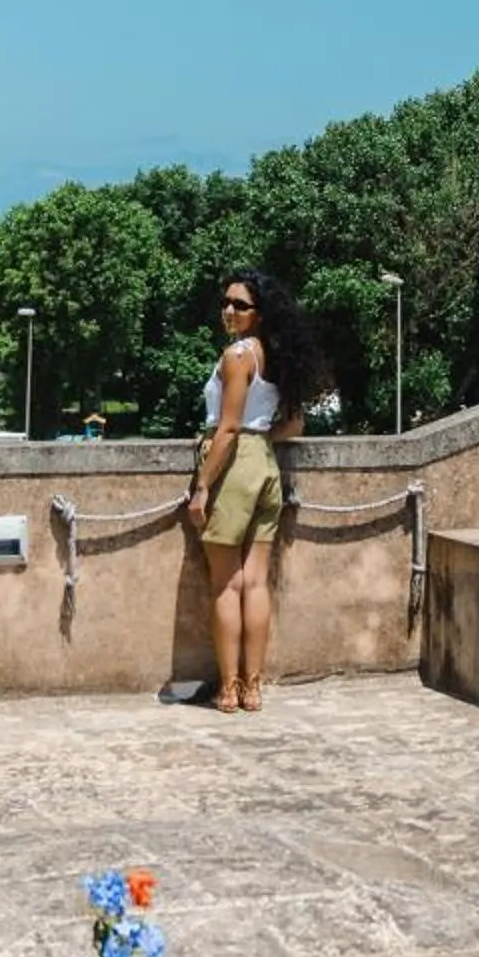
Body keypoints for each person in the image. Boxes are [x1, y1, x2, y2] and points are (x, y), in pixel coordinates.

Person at [185, 269, 325, 711]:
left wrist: (203, 486)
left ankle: (229, 687)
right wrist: (260, 440)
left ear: (258, 313)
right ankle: (254, 686)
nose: (229, 310)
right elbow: (295, 425)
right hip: (265, 463)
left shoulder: (238, 356)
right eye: (225, 302)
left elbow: (226, 427)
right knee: (255, 582)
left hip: (235, 467)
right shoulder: (276, 357)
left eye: (240, 305)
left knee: (226, 584)